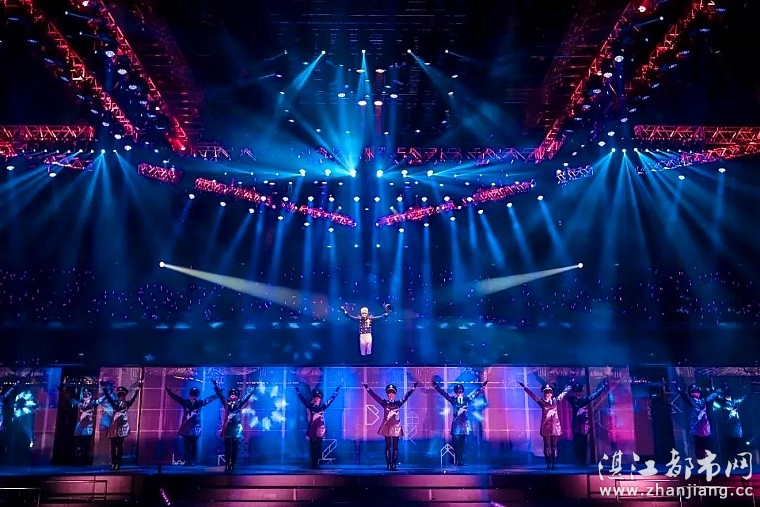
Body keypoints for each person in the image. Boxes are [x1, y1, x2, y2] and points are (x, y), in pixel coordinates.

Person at [362, 381, 419, 471]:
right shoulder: (384, 403)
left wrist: (413, 388)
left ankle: (394, 465)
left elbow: (406, 396)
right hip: (387, 427)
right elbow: (375, 397)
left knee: (395, 447)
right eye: (389, 393)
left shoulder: (398, 403)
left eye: (392, 393)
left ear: (395, 394)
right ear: (387, 394)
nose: (391, 395)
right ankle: (389, 465)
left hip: (396, 427)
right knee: (388, 446)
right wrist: (367, 388)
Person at [432, 378, 488, 466]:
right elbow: (444, 394)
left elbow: (475, 394)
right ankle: (457, 460)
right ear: (456, 392)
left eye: (461, 391)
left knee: (461, 444)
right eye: (458, 391)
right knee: (456, 444)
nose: (460, 393)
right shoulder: (453, 400)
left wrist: (482, 387)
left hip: (463, 426)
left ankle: (460, 461)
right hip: (456, 426)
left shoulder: (466, 400)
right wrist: (436, 386)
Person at [518, 381, 571, 470]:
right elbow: (533, 395)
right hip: (546, 426)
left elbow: (564, 393)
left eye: (549, 392)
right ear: (544, 394)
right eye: (546, 392)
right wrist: (524, 387)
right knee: (547, 446)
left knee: (554, 446)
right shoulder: (541, 401)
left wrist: (570, 385)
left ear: (551, 393)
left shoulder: (555, 400)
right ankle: (548, 464)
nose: (548, 394)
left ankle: (553, 464)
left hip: (555, 426)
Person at [165, 385, 217, 466]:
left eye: (194, 395)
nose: (193, 397)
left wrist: (217, 394)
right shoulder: (186, 402)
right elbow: (177, 398)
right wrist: (170, 392)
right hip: (186, 426)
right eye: (192, 395)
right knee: (186, 444)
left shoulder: (199, 403)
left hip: (195, 427)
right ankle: (187, 460)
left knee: (193, 444)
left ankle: (192, 460)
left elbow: (209, 399)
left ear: (196, 395)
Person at [213, 380, 254, 472]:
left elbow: (246, 397)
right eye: (231, 394)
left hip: (236, 427)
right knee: (227, 446)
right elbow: (221, 396)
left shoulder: (239, 402)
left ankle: (233, 464)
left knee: (235, 447)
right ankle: (227, 464)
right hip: (228, 426)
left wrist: (251, 390)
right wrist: (216, 386)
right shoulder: (226, 402)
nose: (232, 395)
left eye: (234, 394)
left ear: (237, 396)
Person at [295, 385, 341, 468]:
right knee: (313, 447)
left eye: (319, 399)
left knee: (318, 447)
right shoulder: (310, 406)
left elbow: (330, 401)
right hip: (312, 431)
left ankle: (317, 463)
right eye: (316, 398)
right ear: (313, 399)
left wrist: (335, 393)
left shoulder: (322, 407)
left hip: (320, 431)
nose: (317, 400)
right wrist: (298, 392)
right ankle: (313, 464)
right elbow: (303, 400)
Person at [100, 380, 142, 471]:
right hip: (114, 427)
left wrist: (138, 388)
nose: (121, 397)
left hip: (122, 427)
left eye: (122, 395)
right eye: (119, 395)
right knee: (113, 446)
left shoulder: (127, 404)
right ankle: (113, 463)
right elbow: (107, 396)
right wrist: (103, 387)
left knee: (119, 446)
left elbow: (134, 397)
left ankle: (118, 463)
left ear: (124, 396)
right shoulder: (114, 402)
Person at [59, 384, 106, 466]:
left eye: (87, 394)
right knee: (79, 442)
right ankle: (78, 458)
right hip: (80, 425)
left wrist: (107, 393)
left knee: (86, 443)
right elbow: (72, 401)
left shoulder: (92, 403)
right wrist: (64, 393)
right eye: (84, 394)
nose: (85, 396)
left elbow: (100, 400)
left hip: (88, 426)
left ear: (90, 396)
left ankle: (86, 459)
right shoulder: (80, 403)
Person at [565, 379, 609, 466]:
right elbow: (594, 395)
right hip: (580, 424)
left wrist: (569, 384)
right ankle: (581, 459)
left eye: (578, 392)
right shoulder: (578, 399)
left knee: (581, 443)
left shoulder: (577, 399)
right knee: (580, 443)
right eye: (578, 392)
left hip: (581, 424)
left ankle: (581, 460)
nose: (578, 394)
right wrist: (602, 387)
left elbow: (594, 395)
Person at [713, 383, 746, 461]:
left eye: (729, 396)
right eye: (727, 396)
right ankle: (730, 458)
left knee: (736, 443)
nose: (728, 397)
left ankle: (736, 458)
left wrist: (743, 389)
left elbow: (742, 398)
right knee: (730, 443)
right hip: (728, 428)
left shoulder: (734, 402)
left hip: (736, 426)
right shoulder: (723, 404)